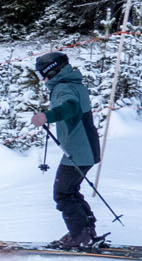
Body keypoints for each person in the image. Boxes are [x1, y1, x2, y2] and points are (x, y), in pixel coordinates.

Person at [32, 51, 103, 249]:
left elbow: (70, 107)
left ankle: (80, 236)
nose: (43, 79)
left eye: (42, 74)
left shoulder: (64, 88)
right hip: (85, 147)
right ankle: (85, 231)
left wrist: (47, 116)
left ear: (51, 71)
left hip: (79, 150)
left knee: (62, 194)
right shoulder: (73, 84)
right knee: (70, 191)